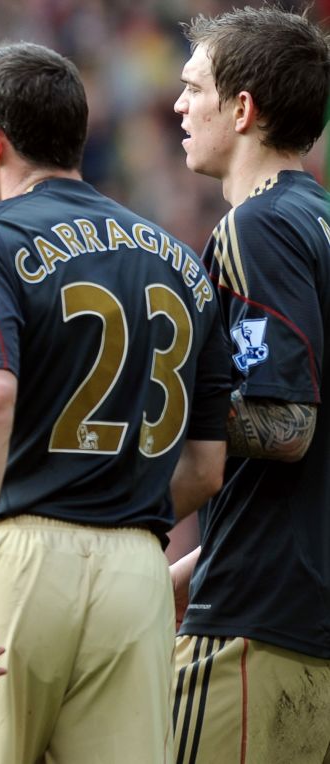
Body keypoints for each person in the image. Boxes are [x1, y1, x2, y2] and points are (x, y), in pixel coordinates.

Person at [0, 42, 230, 763]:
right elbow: (206, 468)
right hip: (137, 574)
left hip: (12, 557)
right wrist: (108, 506)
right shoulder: (179, 259)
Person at [169, 8, 330, 762]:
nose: (178, 105)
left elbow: (289, 425)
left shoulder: (255, 229)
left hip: (258, 627)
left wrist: (164, 408)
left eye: (193, 87)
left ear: (242, 109)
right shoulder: (320, 223)